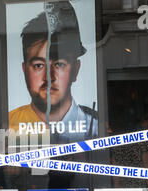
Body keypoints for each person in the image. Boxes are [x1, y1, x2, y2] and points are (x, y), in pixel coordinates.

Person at [9, 1, 98, 144]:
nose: (48, 78)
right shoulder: (8, 126)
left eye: (59, 64)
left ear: (76, 70)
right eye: (38, 65)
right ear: (24, 70)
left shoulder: (96, 127)